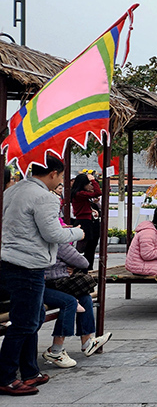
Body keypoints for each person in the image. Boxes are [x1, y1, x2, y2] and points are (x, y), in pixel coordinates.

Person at [0, 156, 85, 396]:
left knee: (32, 317)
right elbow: (52, 233)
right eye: (60, 177)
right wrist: (77, 232)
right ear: (53, 174)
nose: (60, 181)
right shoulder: (45, 197)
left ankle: (29, 371)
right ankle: (6, 376)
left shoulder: (13, 190)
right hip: (28, 266)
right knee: (25, 322)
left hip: (9, 261)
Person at [42, 239, 112, 368]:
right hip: (44, 285)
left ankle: (87, 342)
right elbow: (83, 262)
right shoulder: (58, 242)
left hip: (50, 284)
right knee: (69, 302)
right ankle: (55, 350)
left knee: (85, 298)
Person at [70, 172, 102, 270]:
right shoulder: (79, 194)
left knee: (91, 246)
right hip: (84, 222)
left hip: (88, 220)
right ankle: (83, 267)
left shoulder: (81, 195)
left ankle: (88, 266)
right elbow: (98, 192)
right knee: (84, 247)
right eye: (89, 184)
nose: (91, 186)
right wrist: (93, 180)